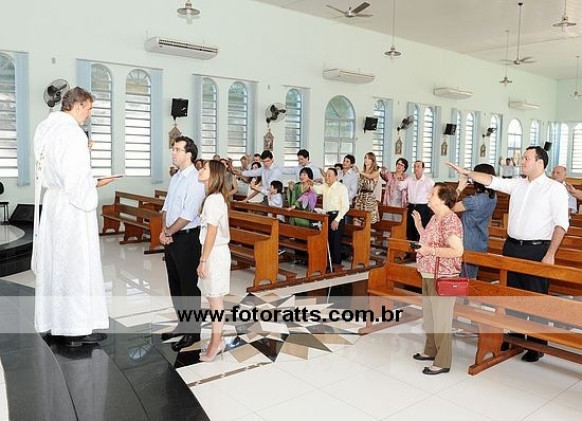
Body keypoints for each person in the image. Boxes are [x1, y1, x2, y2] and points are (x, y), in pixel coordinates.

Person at [447, 146, 569, 362]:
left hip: (537, 249)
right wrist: (467, 172)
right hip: (512, 247)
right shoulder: (518, 184)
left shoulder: (554, 189)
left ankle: (536, 344)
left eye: (526, 158)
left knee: (535, 297)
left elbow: (561, 224)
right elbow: (491, 181)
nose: (522, 161)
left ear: (539, 163)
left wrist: (550, 254)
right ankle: (515, 337)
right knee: (512, 295)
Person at [33, 87, 112, 347]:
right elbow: (76, 182)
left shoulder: (45, 128)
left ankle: (54, 323)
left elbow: (52, 166)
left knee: (56, 265)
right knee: (76, 266)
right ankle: (75, 329)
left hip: (54, 202)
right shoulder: (73, 133)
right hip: (72, 208)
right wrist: (94, 184)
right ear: (77, 105)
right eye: (88, 108)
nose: (89, 114)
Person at [159, 136, 206, 352]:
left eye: (177, 149)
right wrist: (164, 230)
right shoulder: (176, 177)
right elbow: (166, 207)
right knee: (175, 283)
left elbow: (188, 214)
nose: (173, 152)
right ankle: (182, 324)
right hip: (171, 236)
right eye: (173, 149)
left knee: (188, 286)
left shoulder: (195, 180)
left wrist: (169, 232)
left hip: (187, 238)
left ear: (189, 154)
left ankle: (193, 332)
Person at [412, 183, 464, 375]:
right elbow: (430, 240)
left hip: (443, 277)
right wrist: (419, 227)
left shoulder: (450, 221)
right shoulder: (436, 217)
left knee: (441, 320)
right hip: (428, 273)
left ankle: (443, 361)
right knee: (430, 316)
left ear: (442, 200)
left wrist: (431, 251)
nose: (428, 196)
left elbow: (457, 250)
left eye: (432, 194)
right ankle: (430, 350)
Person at [197, 160, 231, 362]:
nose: (200, 170)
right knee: (213, 300)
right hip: (213, 252)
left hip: (214, 254)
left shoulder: (213, 199)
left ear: (214, 175)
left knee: (215, 302)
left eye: (204, 168)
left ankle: (215, 344)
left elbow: (211, 231)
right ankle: (218, 340)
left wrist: (203, 260)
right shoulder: (213, 198)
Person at [453, 163, 497, 279]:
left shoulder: (473, 201)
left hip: (468, 243)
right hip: (480, 241)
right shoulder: (493, 197)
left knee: (465, 279)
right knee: (471, 277)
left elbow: (448, 207)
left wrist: (459, 188)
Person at [310, 168, 350, 272]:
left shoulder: (341, 188)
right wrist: (310, 183)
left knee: (335, 242)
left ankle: (336, 264)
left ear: (336, 177)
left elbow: (345, 207)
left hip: (337, 217)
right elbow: (316, 189)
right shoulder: (325, 186)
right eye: (326, 175)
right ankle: (328, 263)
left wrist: (337, 220)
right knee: (327, 240)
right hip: (326, 216)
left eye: (329, 175)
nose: (327, 177)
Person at [398, 161, 435, 241]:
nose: (416, 168)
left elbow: (433, 195)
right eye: (414, 166)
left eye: (418, 167)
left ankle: (421, 246)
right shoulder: (410, 178)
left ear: (423, 169)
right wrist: (400, 179)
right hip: (411, 206)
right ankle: (410, 247)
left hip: (423, 208)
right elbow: (400, 187)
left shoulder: (429, 181)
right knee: (410, 229)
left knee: (422, 228)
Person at [354, 152, 380, 225]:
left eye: (368, 158)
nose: (366, 160)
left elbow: (370, 176)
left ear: (372, 161)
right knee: (356, 220)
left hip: (369, 198)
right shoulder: (362, 173)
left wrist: (359, 171)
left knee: (367, 222)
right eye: (365, 158)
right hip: (360, 197)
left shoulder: (376, 172)